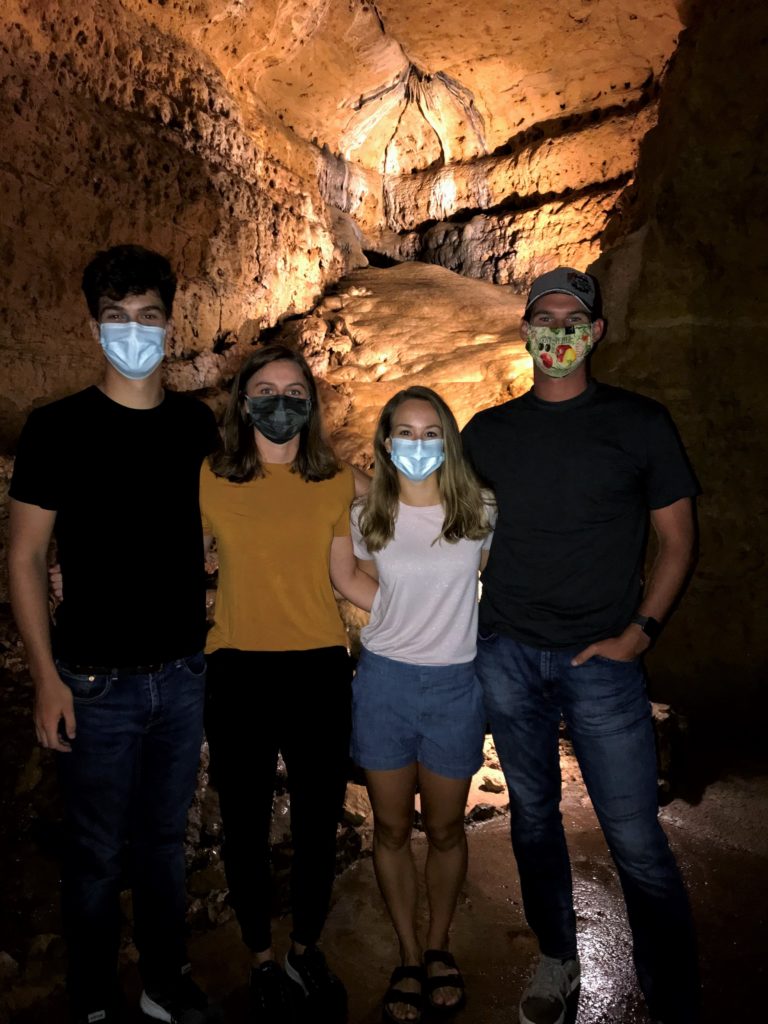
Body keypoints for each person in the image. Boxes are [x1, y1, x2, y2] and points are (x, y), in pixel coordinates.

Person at [462, 267, 700, 1024]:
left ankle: (671, 990)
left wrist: (640, 634)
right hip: (507, 652)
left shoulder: (639, 423)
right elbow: (453, 533)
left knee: (634, 838)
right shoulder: (488, 433)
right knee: (533, 816)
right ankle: (557, 959)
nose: (556, 332)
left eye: (572, 319)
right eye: (543, 318)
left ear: (594, 332)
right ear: (526, 330)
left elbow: (676, 540)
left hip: (602, 662)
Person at [8, 245, 221, 1024]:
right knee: (95, 855)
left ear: (171, 323)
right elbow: (27, 557)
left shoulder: (197, 424)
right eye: (118, 318)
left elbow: (218, 526)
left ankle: (164, 981)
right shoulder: (56, 429)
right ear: (94, 326)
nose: (135, 332)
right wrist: (44, 676)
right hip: (94, 681)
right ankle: (94, 999)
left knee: (166, 843)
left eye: (150, 317)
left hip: (183, 673)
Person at [199, 343, 376, 1024]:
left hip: (318, 669)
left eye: (294, 391)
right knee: (243, 827)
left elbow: (348, 575)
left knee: (315, 822)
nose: (280, 403)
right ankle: (259, 957)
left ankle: (303, 946)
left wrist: (425, 607)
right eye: (265, 390)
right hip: (238, 668)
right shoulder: (210, 477)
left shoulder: (332, 480)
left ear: (312, 402)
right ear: (243, 401)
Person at [350, 386, 494, 1023]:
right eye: (403, 433)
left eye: (430, 432)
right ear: (385, 442)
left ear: (449, 439)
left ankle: (439, 946)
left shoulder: (482, 510)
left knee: (442, 828)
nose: (417, 445)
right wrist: (393, 615)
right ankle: (408, 953)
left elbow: (485, 576)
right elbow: (349, 576)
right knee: (389, 829)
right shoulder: (367, 516)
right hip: (383, 683)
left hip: (455, 688)